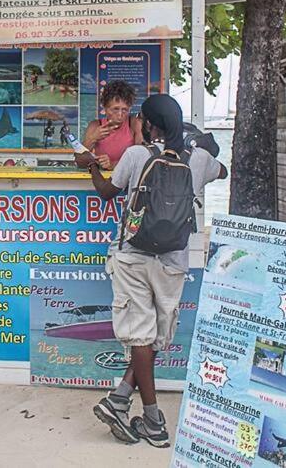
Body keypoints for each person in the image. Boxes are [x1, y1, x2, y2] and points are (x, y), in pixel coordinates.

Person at [86, 94, 227, 447]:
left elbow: (107, 191)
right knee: (152, 339)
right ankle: (123, 402)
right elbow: (222, 168)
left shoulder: (137, 155)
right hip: (173, 261)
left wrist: (90, 164)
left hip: (132, 256)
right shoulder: (198, 159)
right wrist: (195, 142)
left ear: (148, 124)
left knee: (141, 339)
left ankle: (149, 418)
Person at [76, 81, 143, 170]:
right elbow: (79, 162)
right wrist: (93, 138)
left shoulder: (134, 124)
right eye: (115, 109)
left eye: (125, 110)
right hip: (103, 180)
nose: (120, 114)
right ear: (105, 107)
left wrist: (113, 165)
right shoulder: (95, 126)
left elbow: (141, 159)